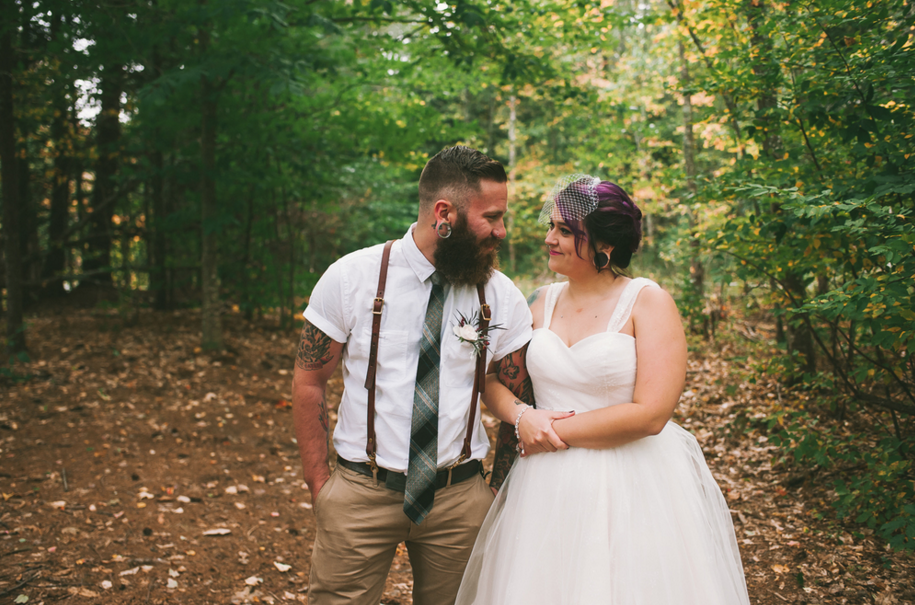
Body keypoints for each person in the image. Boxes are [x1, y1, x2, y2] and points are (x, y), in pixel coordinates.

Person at [456, 175, 751, 604]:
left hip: (630, 480)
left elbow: (651, 414)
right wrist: (523, 417)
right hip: (543, 485)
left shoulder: (648, 301)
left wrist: (548, 431)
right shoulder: (538, 302)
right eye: (551, 226)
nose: (549, 238)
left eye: (564, 230)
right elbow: (491, 379)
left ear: (604, 245)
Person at [292, 146, 533, 605]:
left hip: (460, 500)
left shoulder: (501, 297)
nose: (501, 231)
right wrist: (320, 483)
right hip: (361, 492)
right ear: (444, 215)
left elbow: (519, 397)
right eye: (492, 217)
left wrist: (494, 492)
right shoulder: (351, 278)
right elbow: (309, 379)